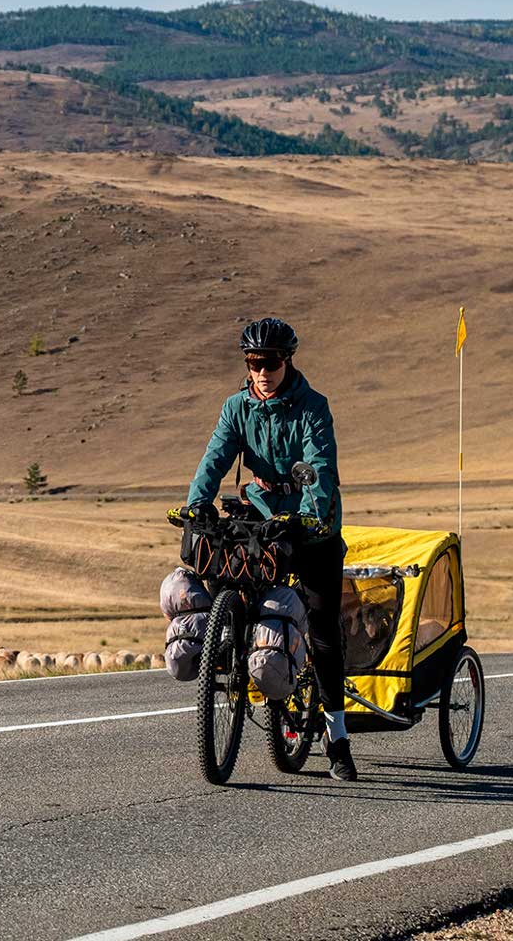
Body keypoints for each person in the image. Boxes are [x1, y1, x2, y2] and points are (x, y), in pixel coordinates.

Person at [180, 316, 357, 782]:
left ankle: (337, 736)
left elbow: (320, 464)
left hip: (311, 525)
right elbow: (215, 455)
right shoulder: (236, 407)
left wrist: (314, 511)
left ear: (287, 361)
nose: (262, 371)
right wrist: (196, 503)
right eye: (254, 362)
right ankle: (243, 654)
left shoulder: (312, 407)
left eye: (271, 362)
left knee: (321, 626)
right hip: (262, 517)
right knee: (237, 585)